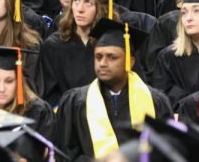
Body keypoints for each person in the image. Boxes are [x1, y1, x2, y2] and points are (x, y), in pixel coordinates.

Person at [52, 18, 172, 159]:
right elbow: (65, 154)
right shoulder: (75, 102)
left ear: (130, 61)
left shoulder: (156, 101)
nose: (103, 63)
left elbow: (167, 153)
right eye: (98, 57)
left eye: (112, 57)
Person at [41, 0, 123, 106]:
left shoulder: (117, 44)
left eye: (88, 2)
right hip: (67, 119)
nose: (80, 9)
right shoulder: (54, 45)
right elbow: (49, 95)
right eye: (76, 1)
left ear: (101, 9)